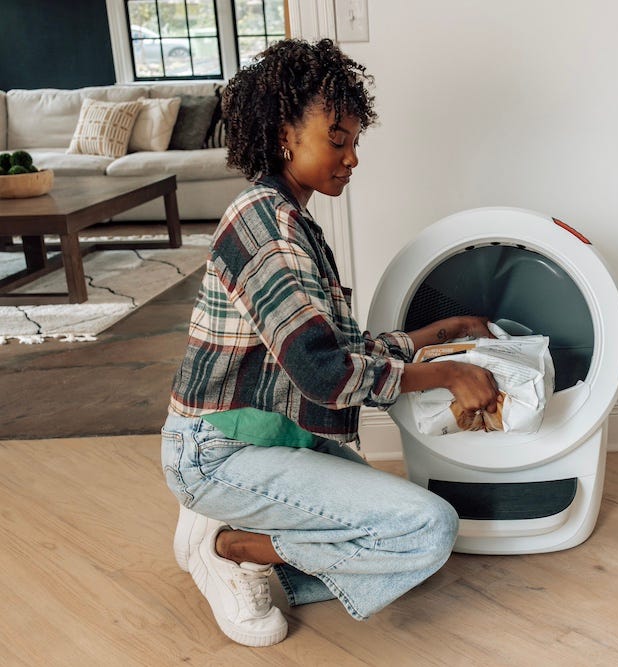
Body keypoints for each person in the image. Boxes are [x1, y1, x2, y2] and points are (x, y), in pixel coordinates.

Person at [161, 38, 500, 647]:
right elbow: (325, 375)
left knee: (390, 529)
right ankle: (230, 546)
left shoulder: (294, 221)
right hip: (219, 452)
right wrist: (446, 375)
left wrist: (439, 335)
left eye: (354, 141)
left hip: (278, 442)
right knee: (426, 532)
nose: (352, 157)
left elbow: (340, 350)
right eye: (337, 139)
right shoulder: (265, 225)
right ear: (285, 135)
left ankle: (241, 527)